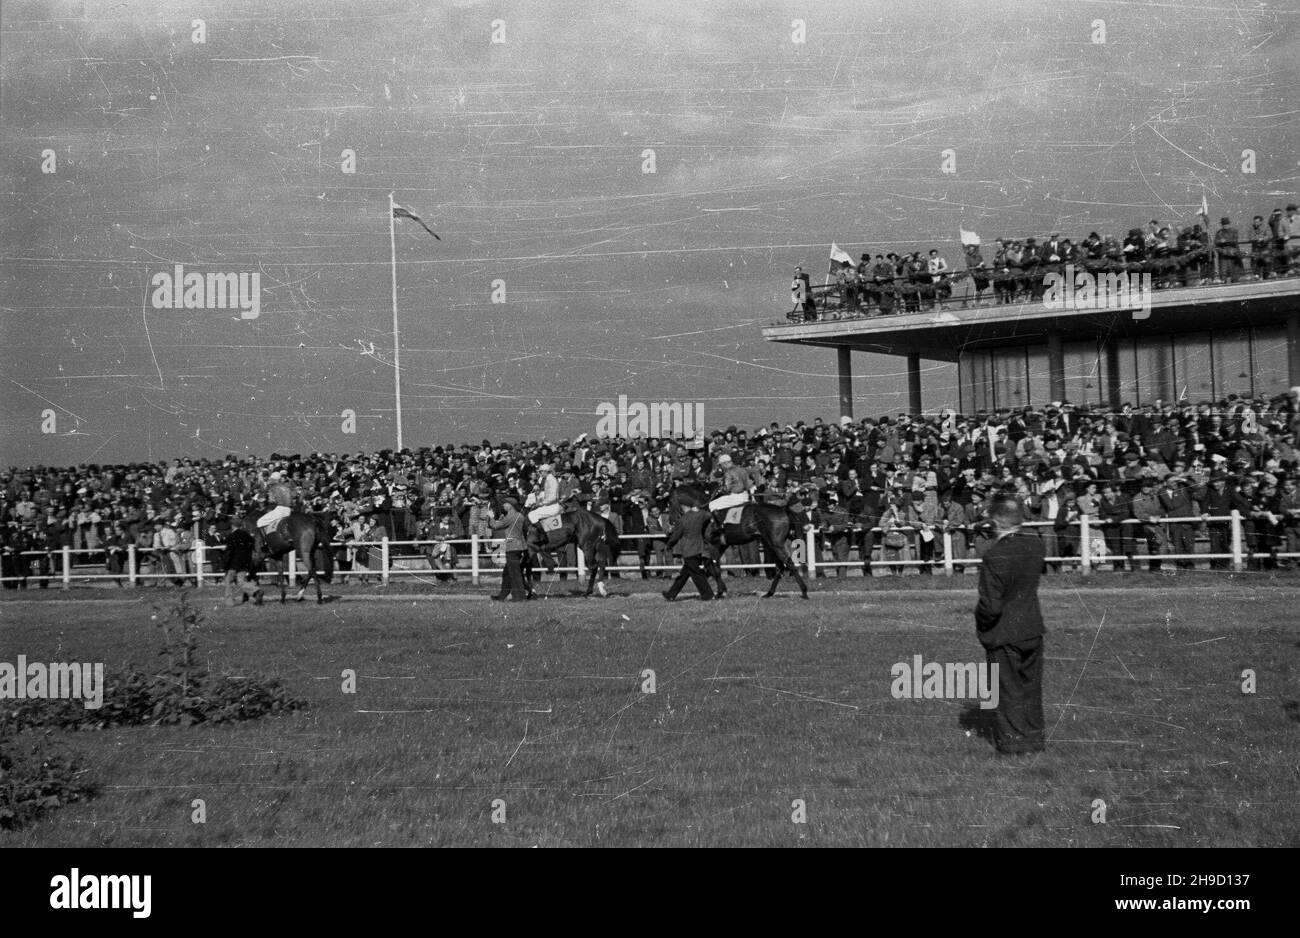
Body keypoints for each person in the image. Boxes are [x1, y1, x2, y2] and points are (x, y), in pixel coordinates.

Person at [974, 494, 1047, 756]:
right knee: (1030, 687)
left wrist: (981, 622)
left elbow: (990, 606)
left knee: (1007, 690)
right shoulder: (1037, 545)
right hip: (1032, 625)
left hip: (1004, 631)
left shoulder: (994, 555)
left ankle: (1013, 745)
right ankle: (1034, 739)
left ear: (995, 522)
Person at [662, 504, 716, 601]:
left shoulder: (683, 519)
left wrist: (669, 544)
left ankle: (708, 594)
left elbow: (676, 535)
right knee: (684, 574)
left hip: (688, 550)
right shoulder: (700, 515)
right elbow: (709, 515)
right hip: (699, 548)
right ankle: (671, 594)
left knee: (696, 574)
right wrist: (698, 509)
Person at [489, 497, 530, 601]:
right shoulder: (520, 516)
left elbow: (495, 526)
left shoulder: (510, 516)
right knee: (507, 573)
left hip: (512, 547)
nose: (503, 506)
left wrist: (491, 517)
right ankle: (502, 596)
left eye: (505, 504)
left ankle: (520, 597)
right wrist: (503, 519)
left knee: (514, 573)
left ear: (510, 505)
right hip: (520, 546)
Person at [222, 519, 262, 605]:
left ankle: (229, 601)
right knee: (241, 581)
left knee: (228, 581)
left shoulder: (231, 536)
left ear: (232, 525)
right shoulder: (247, 536)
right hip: (245, 562)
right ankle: (256, 590)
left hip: (233, 563)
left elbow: (229, 552)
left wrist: (225, 564)